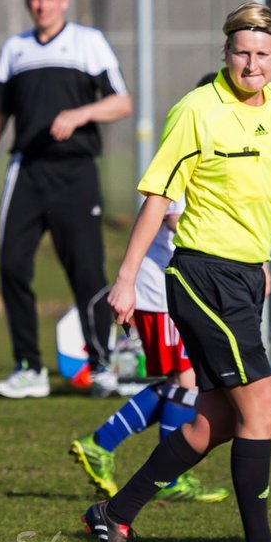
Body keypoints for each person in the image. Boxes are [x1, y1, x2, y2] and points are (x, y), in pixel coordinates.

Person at [83, 2, 271, 542]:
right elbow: (157, 198)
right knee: (262, 406)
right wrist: (127, 277)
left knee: (218, 420)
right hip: (202, 275)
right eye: (241, 52)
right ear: (226, 52)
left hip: (247, 275)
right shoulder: (195, 111)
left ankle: (115, 513)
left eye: (262, 53)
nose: (251, 63)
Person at [0, 0, 132, 400]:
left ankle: (102, 365)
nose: (41, 5)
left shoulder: (88, 43)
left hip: (76, 172)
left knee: (86, 270)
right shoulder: (14, 49)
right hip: (27, 172)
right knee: (12, 265)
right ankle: (28, 368)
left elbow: (121, 102)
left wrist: (81, 114)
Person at [69, 196, 228, 504]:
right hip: (163, 293)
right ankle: (170, 475)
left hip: (175, 288)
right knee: (187, 380)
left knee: (180, 381)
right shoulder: (181, 156)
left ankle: (101, 443)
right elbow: (173, 219)